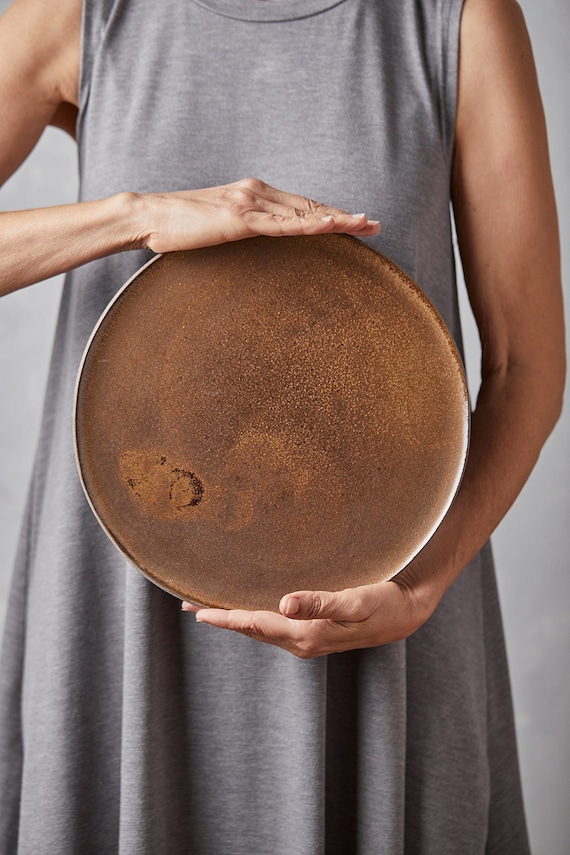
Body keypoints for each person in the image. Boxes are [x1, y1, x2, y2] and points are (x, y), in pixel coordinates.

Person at [0, 0, 565, 851]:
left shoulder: (458, 19)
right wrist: (134, 216)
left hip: (385, 599)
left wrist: (420, 586)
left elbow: (529, 366)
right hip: (120, 593)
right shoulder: (82, 13)